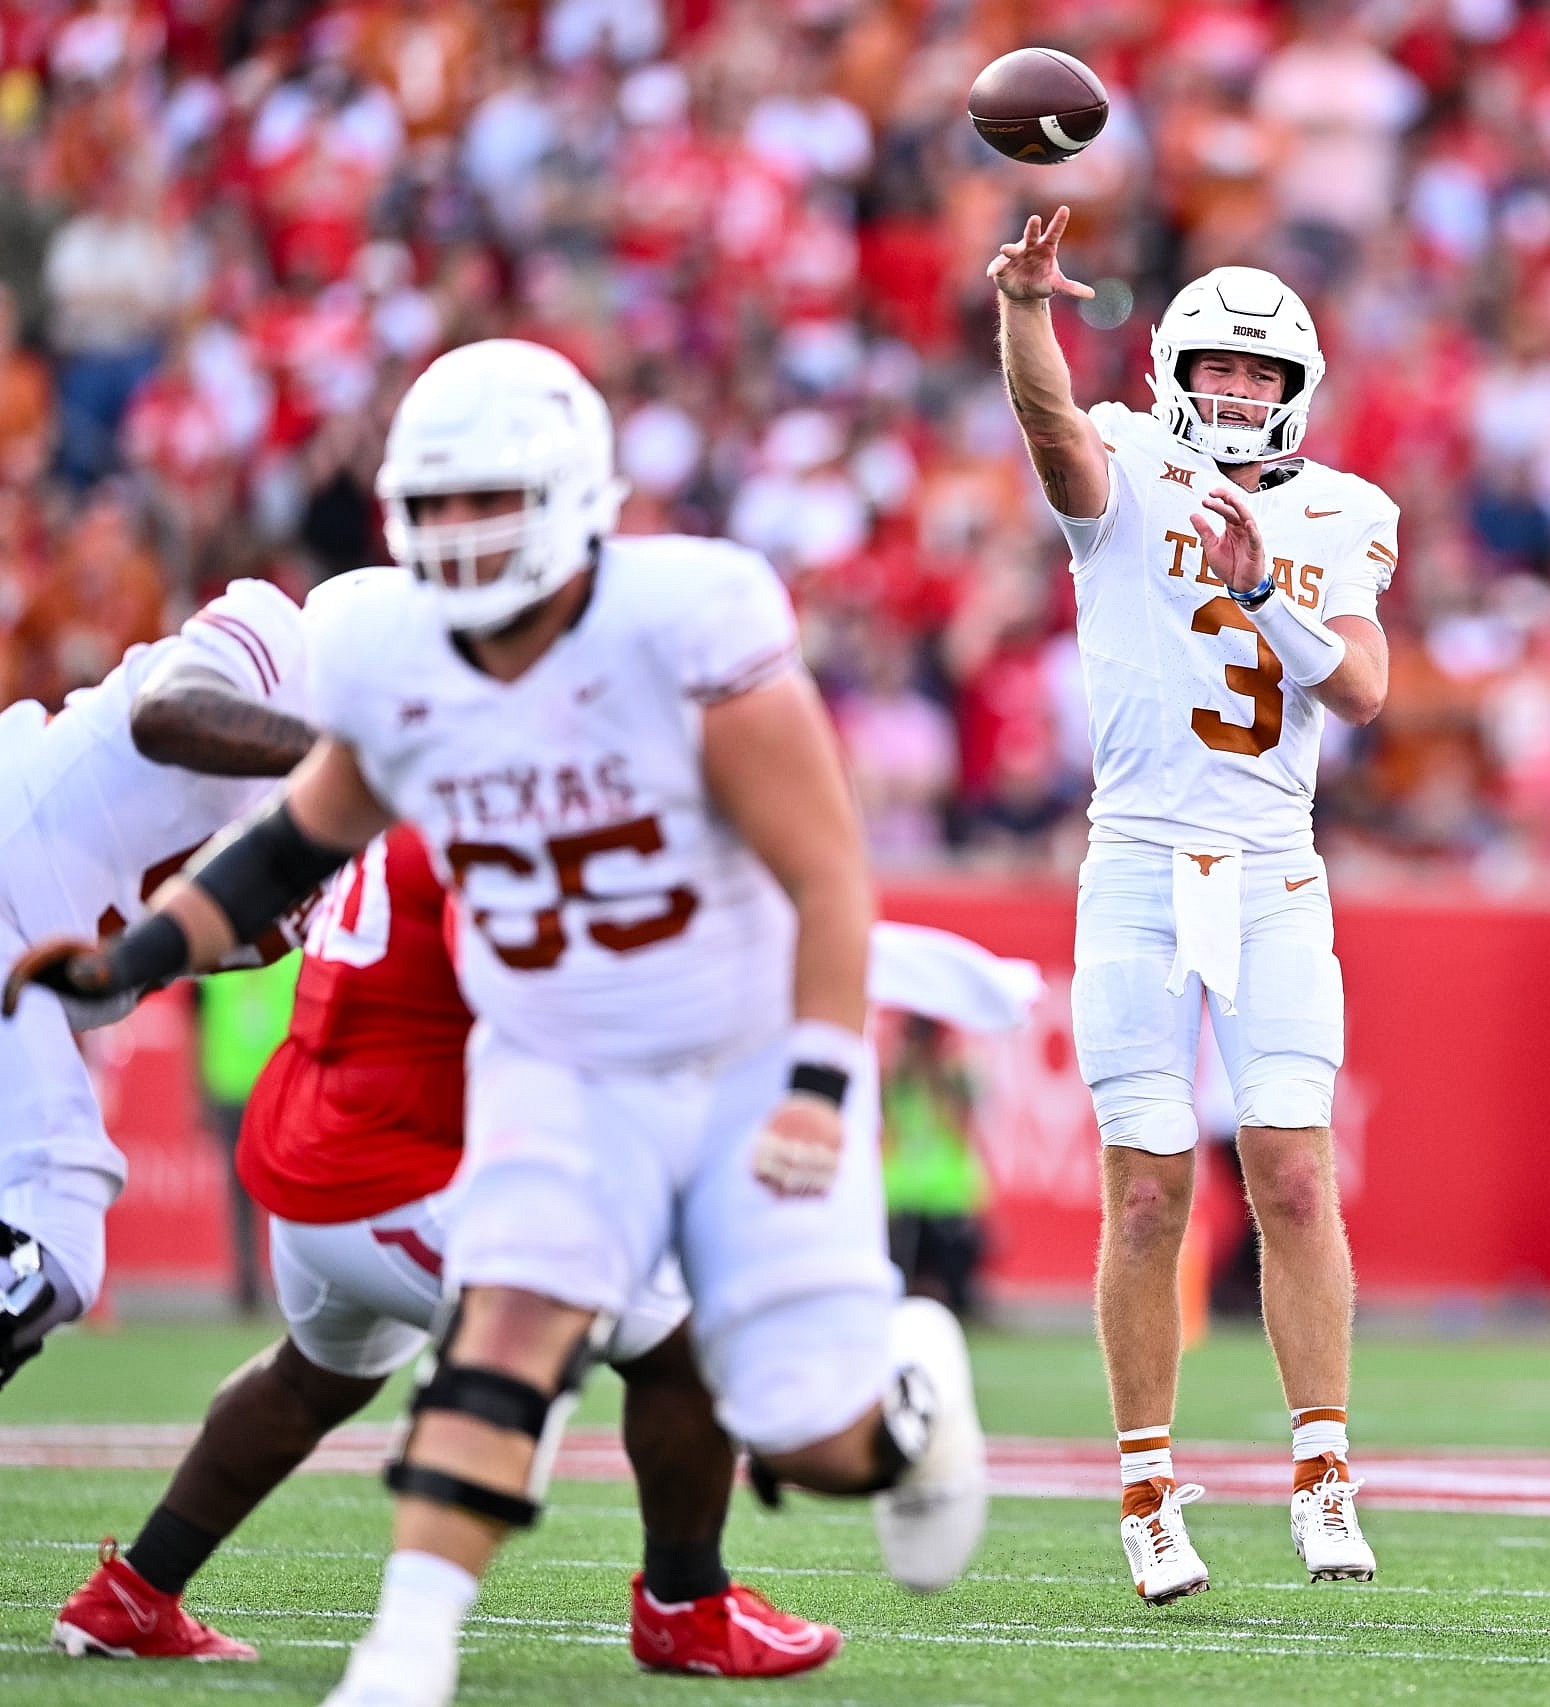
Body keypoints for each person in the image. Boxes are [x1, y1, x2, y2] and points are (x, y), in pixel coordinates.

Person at [7, 339, 987, 1707]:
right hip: (399, 1140)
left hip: (357, 1138)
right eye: (440, 505)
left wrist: (804, 1070)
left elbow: (792, 877)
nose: (464, 540)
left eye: (493, 502)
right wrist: (147, 954)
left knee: (329, 1372)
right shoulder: (374, 670)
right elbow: (279, 839)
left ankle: (143, 1591)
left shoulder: (677, 630)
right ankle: (659, 1605)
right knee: (619, 1337)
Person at [52, 829, 1041, 1675]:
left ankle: (133, 1593)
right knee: (682, 1335)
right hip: (395, 1170)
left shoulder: (409, 779)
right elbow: (534, 998)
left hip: (315, 1149)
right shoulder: (488, 813)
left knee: (313, 1379)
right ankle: (686, 1605)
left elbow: (277, 892)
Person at [989, 208, 1394, 1602]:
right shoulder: (1128, 460)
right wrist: (1026, 312)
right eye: (1214, 365)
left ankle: (1323, 1470)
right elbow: (1051, 428)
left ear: (1294, 388)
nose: (1232, 390)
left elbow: (1363, 687)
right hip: (1141, 864)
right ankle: (1149, 1490)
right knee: (1150, 1184)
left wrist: (1259, 590)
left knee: (1293, 1171)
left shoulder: (1345, 510)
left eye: (1256, 372)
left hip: (1274, 866)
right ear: (1174, 370)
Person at [0, 576, 315, 1391]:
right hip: (8, 880)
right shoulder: (281, 639)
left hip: (35, 966)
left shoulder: (359, 846)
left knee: (38, 1237)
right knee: (57, 1234)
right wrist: (338, 760)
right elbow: (168, 712)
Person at [194, 952, 298, 1315]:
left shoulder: (291, 959)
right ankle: (247, 1284)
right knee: (240, 1192)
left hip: (279, 1091)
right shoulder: (216, 962)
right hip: (230, 1090)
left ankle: (291, 1280)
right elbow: (198, 1025)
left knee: (286, 1191)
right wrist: (198, 1092)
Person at [881, 1013, 990, 1317]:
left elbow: (962, 1126)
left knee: (957, 1295)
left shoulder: (953, 1080)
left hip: (946, 1196)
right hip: (905, 1194)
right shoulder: (895, 1081)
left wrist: (942, 1080)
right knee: (900, 1287)